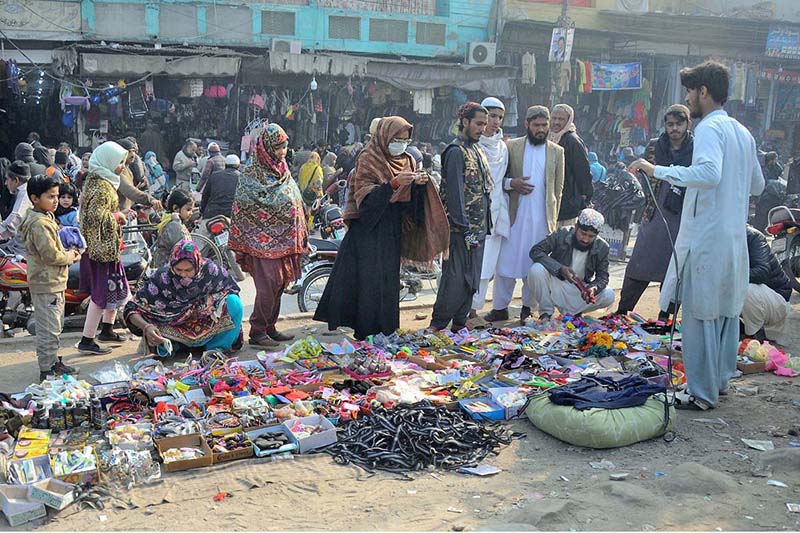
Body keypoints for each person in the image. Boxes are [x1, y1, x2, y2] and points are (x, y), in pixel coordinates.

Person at [629, 61, 765, 411]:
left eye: (691, 90)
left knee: (700, 313)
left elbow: (707, 173)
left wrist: (654, 168)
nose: (688, 97)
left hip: (707, 236)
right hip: (733, 235)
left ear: (703, 91)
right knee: (723, 312)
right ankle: (717, 383)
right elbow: (757, 184)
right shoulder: (742, 131)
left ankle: (701, 394)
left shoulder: (709, 128)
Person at [315, 117, 448, 339]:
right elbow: (364, 202)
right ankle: (366, 332)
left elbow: (410, 203)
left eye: (405, 140)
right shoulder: (369, 158)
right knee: (368, 280)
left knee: (388, 280)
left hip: (391, 228)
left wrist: (419, 185)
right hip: (367, 230)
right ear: (384, 136)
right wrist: (393, 184)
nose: (401, 144)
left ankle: (386, 329)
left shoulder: (408, 160)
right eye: (396, 139)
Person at [484, 105, 565, 324]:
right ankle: (500, 308)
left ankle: (528, 308)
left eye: (544, 125)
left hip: (542, 220)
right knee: (505, 264)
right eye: (537, 125)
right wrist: (513, 183)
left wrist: (553, 221)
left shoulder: (558, 152)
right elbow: (497, 179)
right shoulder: (512, 147)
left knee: (535, 266)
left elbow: (558, 189)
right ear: (527, 124)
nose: (541, 129)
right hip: (514, 217)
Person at [229, 124, 308, 348]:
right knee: (267, 287)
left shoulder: (282, 169)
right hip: (260, 243)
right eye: (278, 146)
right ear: (266, 147)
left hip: (285, 241)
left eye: (285, 146)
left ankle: (269, 327)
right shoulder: (251, 173)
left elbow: (293, 197)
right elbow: (245, 205)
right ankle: (257, 331)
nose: (282, 151)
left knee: (280, 285)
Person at [617, 104, 693, 318]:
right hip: (654, 211)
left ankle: (665, 315)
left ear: (688, 124)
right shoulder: (654, 147)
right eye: (670, 124)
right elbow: (644, 176)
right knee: (640, 261)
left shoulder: (696, 148)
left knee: (674, 268)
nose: (674, 128)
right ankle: (623, 310)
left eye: (679, 124)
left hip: (682, 214)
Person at [430, 102, 492, 332]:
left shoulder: (477, 150)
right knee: (455, 279)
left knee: (472, 279)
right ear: (465, 122)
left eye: (484, 124)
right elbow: (455, 194)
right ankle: (438, 324)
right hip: (460, 230)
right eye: (478, 123)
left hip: (478, 227)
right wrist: (464, 228)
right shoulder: (455, 151)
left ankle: (459, 323)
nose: (482, 128)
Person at [124, 240, 243, 357]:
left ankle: (216, 348)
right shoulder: (162, 278)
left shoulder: (211, 272)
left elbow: (232, 291)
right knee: (150, 313)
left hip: (207, 324)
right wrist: (147, 327)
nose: (183, 275)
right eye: (178, 270)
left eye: (188, 270)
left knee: (233, 302)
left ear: (197, 264)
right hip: (176, 329)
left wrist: (206, 306)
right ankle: (172, 347)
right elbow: (132, 308)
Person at [19, 174, 82, 381]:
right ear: (35, 198)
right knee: (49, 328)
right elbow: (51, 255)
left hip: (51, 281)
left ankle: (53, 361)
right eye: (51, 196)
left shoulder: (45, 217)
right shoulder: (39, 223)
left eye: (57, 196)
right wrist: (71, 256)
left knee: (54, 325)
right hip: (47, 282)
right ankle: (47, 368)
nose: (56, 200)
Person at [77, 141, 133, 355]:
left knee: (116, 289)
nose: (122, 166)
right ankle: (87, 339)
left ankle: (107, 329)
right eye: (119, 162)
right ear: (108, 161)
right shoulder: (101, 187)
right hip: (101, 250)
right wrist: (118, 216)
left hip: (107, 247)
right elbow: (95, 217)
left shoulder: (99, 180)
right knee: (101, 295)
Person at [528, 208, 615, 320]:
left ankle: (575, 313)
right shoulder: (562, 234)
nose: (586, 240)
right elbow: (536, 251)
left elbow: (603, 277)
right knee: (536, 270)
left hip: (579, 290)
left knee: (609, 295)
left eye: (591, 236)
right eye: (583, 234)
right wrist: (560, 269)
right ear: (576, 227)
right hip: (557, 283)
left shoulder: (602, 247)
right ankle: (546, 313)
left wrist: (593, 288)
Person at [468, 97, 510, 319]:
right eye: (492, 116)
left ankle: (474, 309)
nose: (495, 122)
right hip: (472, 216)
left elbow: (501, 180)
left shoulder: (503, 147)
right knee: (470, 264)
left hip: (495, 215)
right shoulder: (469, 146)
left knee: (486, 268)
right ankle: (462, 308)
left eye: (500, 117)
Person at [741, 225, 792, 345]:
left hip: (776, 299)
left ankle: (755, 337)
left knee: (744, 288)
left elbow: (762, 272)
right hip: (759, 299)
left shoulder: (752, 236)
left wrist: (729, 277)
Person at [549, 104, 592, 227]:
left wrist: (584, 197)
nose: (556, 122)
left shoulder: (572, 141)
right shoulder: (549, 138)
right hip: (551, 201)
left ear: (568, 120)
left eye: (561, 119)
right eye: (554, 118)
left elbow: (583, 172)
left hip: (567, 204)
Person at [116, 139, 163, 214]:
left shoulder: (128, 170)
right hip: (119, 215)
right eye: (129, 151)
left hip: (128, 212)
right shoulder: (118, 171)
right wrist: (150, 199)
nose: (132, 154)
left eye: (134, 151)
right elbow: (129, 191)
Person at [153, 189, 193, 268]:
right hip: (169, 269)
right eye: (188, 210)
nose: (191, 213)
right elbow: (183, 248)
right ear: (176, 208)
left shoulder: (174, 222)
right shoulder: (174, 225)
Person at [0, 161, 32, 255]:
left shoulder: (25, 194)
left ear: (16, 180)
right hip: (17, 244)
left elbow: (13, 222)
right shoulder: (23, 191)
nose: (6, 183)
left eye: (7, 179)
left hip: (21, 249)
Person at [201, 154, 240, 220]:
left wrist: (202, 211)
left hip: (211, 213)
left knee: (202, 229)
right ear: (238, 166)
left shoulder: (214, 175)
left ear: (225, 165)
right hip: (231, 215)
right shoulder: (241, 178)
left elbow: (205, 195)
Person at [297, 152, 324, 228]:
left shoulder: (303, 167)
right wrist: (319, 195)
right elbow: (318, 183)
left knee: (304, 210)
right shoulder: (318, 169)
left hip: (303, 192)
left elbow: (299, 179)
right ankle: (309, 227)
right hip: (313, 193)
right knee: (312, 211)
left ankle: (303, 226)